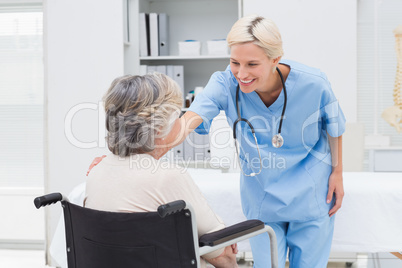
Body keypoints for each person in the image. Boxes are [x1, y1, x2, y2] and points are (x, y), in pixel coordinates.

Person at [88, 14, 346, 268]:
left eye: (252, 65)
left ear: (275, 59)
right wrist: (124, 160)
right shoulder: (224, 83)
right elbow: (186, 124)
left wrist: (337, 172)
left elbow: (334, 128)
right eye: (235, 62)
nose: (241, 74)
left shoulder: (314, 83)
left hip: (312, 192)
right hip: (263, 194)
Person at [84, 73, 238, 268]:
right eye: (176, 115)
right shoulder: (168, 177)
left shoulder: (96, 171)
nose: (181, 121)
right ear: (159, 128)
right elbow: (221, 251)